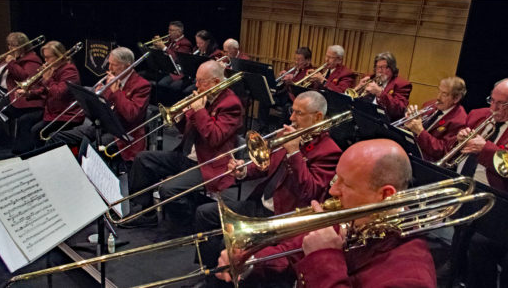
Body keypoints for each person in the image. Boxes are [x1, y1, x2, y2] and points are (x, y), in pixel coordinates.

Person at [215, 139, 436, 288]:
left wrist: (325, 258)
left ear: (385, 194)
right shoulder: (351, 213)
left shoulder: (412, 274)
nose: (332, 190)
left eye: (345, 184)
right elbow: (292, 250)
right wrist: (250, 260)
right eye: (335, 178)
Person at [193, 91, 341, 281]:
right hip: (260, 203)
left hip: (282, 216)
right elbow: (266, 164)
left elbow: (310, 191)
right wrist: (244, 170)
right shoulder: (292, 134)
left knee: (229, 242)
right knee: (204, 213)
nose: (291, 117)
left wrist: (294, 152)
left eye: (299, 113)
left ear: (317, 117)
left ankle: (222, 280)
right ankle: (210, 272)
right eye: (292, 111)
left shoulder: (329, 151)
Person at [124, 60, 243, 229]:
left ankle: (191, 221)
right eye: (196, 79)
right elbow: (192, 129)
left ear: (216, 82)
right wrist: (180, 119)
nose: (196, 85)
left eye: (201, 81)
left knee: (168, 189)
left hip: (209, 162)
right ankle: (147, 213)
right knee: (143, 159)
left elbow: (215, 137)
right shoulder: (206, 96)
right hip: (188, 154)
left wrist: (199, 111)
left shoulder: (231, 104)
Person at [48, 47, 151, 162]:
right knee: (56, 138)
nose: (109, 69)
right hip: (103, 125)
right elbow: (104, 106)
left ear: (127, 66)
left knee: (89, 151)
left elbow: (131, 115)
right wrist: (98, 96)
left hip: (123, 132)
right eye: (109, 64)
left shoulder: (142, 85)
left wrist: (116, 92)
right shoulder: (112, 78)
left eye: (114, 65)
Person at [457, 78, 508, 202]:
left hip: (493, 195)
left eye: (502, 103)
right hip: (459, 182)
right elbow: (452, 149)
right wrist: (459, 140)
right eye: (492, 100)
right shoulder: (476, 114)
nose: (493, 108)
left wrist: (485, 149)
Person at [0, 32, 44, 158]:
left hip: (24, 99)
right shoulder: (14, 58)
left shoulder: (32, 60)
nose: (11, 48)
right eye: (9, 45)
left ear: (23, 46)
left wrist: (11, 63)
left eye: (14, 45)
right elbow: (1, 74)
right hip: (4, 94)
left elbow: (25, 78)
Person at [18, 40, 82, 152]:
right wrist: (29, 93)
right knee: (25, 121)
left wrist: (48, 79)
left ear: (59, 56)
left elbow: (59, 93)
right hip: (52, 112)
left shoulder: (69, 70)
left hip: (66, 115)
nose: (45, 61)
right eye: (44, 57)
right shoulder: (54, 69)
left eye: (48, 57)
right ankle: (25, 153)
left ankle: (43, 157)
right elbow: (45, 91)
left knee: (37, 131)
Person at [404, 76, 469, 162]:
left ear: (456, 98)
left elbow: (442, 150)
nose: (438, 97)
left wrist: (420, 131)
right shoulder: (430, 104)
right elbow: (412, 130)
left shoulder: (459, 120)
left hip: (425, 161)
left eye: (444, 94)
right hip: (410, 149)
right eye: (439, 91)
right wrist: (410, 121)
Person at [353, 52, 411, 121]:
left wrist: (380, 93)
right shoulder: (370, 78)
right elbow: (355, 100)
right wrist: (357, 87)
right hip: (363, 116)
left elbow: (399, 110)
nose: (380, 71)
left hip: (384, 122)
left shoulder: (402, 84)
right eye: (378, 67)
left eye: (383, 67)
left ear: (392, 68)